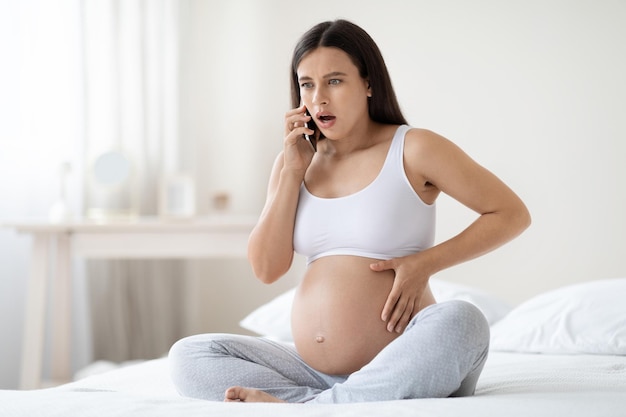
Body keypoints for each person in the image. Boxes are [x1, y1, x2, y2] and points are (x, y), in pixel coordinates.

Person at [168, 19, 531, 404]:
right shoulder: (294, 162)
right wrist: (292, 172)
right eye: (307, 84)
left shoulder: (414, 148)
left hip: (407, 360)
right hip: (315, 372)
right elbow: (266, 268)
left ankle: (315, 407)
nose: (319, 98)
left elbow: (510, 213)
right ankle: (326, 403)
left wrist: (425, 263)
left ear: (369, 83)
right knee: (190, 355)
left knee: (464, 321)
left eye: (335, 81)